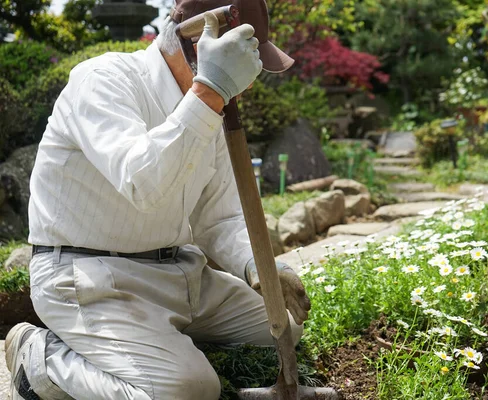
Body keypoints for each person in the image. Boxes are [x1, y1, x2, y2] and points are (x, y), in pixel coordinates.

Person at [5, 0, 310, 398]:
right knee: (189, 391)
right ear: (197, 47)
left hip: (178, 274)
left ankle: (154, 343)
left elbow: (217, 219)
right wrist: (210, 93)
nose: (247, 83)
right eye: (241, 66)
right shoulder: (103, 79)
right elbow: (142, 183)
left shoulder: (210, 105)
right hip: (90, 277)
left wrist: (261, 268)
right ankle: (42, 360)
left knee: (283, 322)